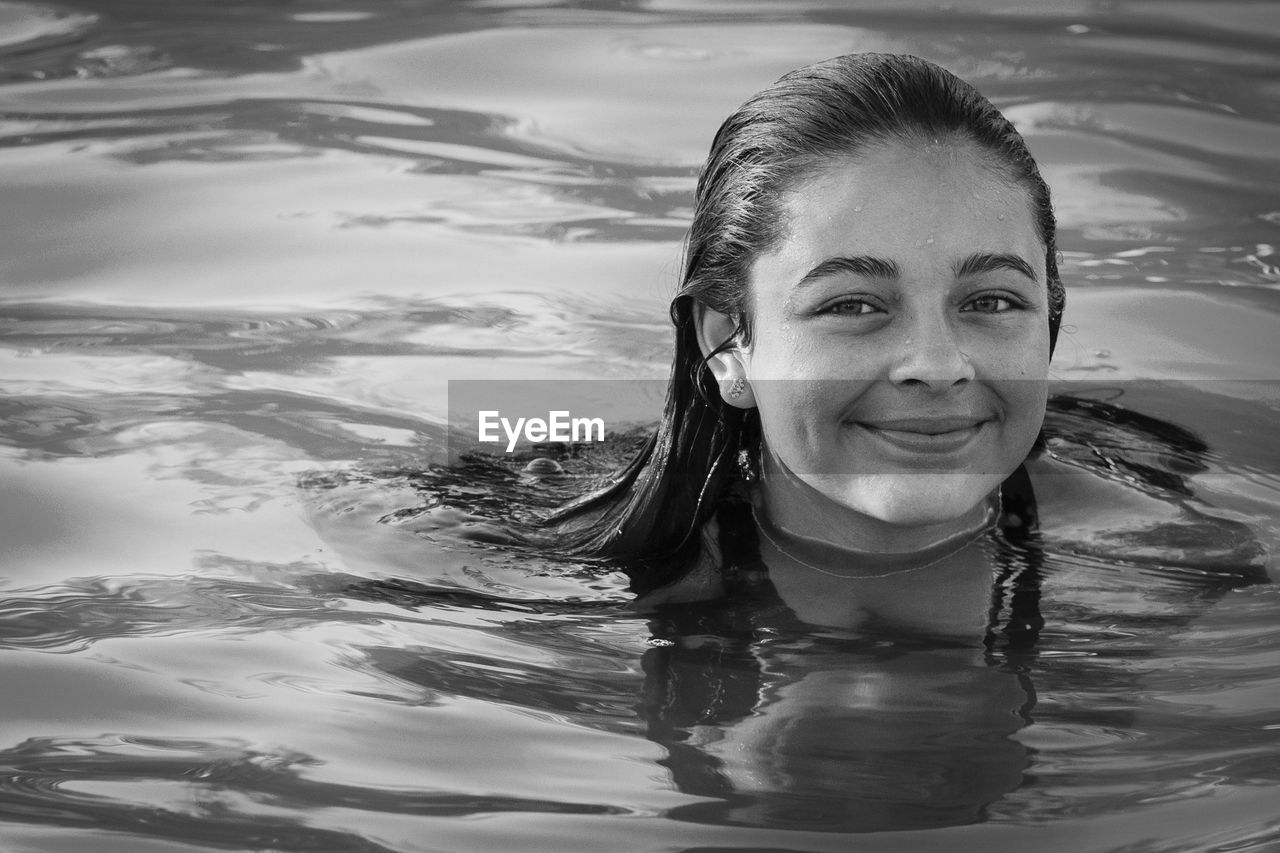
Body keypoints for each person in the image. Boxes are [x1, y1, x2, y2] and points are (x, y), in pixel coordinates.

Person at [548, 52, 1065, 636]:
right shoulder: (569, 592)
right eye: (852, 305)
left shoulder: (1164, 530)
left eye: (991, 302)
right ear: (731, 344)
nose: (938, 365)